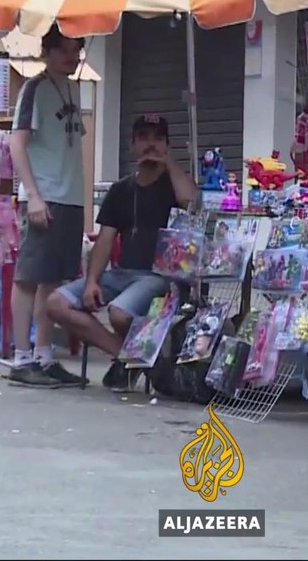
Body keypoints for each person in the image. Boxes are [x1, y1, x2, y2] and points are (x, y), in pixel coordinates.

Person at [46, 115, 198, 391]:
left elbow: (192, 201)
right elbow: (104, 241)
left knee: (119, 313)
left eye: (158, 139)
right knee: (56, 303)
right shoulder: (120, 190)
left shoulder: (173, 184)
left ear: (167, 145)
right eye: (143, 138)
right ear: (132, 144)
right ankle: (128, 356)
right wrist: (92, 281)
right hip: (121, 274)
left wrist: (169, 163)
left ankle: (131, 360)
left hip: (160, 277)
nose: (150, 145)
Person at [7, 27, 89, 388]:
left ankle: (44, 354)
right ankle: (21, 358)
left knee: (53, 280)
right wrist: (34, 195)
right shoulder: (34, 88)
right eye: (64, 50)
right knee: (28, 277)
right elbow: (16, 143)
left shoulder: (74, 89)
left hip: (70, 195)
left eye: (76, 50)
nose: (71, 58)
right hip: (43, 195)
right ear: (48, 52)